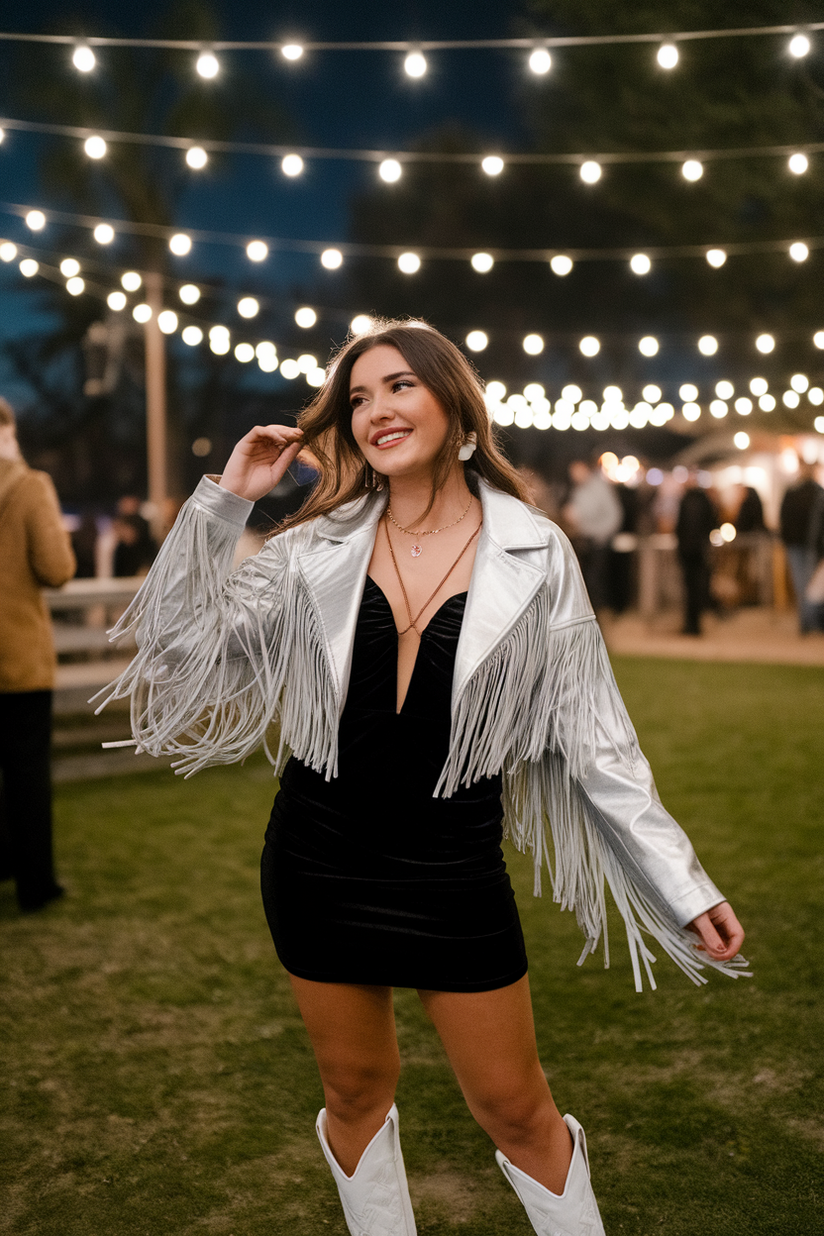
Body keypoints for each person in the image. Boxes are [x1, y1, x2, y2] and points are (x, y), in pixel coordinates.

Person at [100, 322, 745, 1236]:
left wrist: (680, 885)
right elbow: (174, 648)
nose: (375, 411)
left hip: (453, 873)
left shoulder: (537, 552)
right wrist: (224, 503)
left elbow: (599, 742)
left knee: (517, 1111)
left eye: (398, 387)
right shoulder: (312, 545)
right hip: (318, 860)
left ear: (453, 403)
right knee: (354, 1093)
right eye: (357, 398)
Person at [0, 397, 76, 911]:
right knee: (26, 774)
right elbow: (57, 568)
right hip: (18, 658)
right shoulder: (27, 486)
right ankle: (35, 884)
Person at [562, 459, 622, 611]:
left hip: (599, 542)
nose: (574, 475)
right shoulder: (579, 489)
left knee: (596, 582)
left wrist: (602, 536)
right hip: (584, 541)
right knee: (586, 580)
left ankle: (599, 615)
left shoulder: (600, 487)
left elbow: (614, 515)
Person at [779, 461, 824, 633]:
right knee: (810, 583)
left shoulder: (792, 492)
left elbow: (784, 518)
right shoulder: (817, 492)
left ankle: (807, 621)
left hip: (798, 544)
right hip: (809, 545)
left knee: (803, 583)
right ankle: (810, 620)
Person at [675, 470, 717, 635]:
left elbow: (681, 527)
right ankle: (692, 624)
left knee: (693, 588)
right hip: (696, 551)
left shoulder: (689, 500)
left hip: (693, 551)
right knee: (695, 588)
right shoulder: (700, 500)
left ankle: (693, 624)